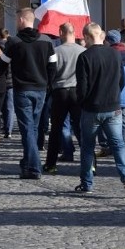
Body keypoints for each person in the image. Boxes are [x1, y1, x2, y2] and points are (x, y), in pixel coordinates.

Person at [74, 22, 125, 198]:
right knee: (118, 145)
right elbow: (121, 81)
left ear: (87, 37)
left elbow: (82, 87)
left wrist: (82, 102)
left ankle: (87, 183)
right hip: (113, 107)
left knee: (87, 146)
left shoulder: (85, 57)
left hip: (92, 108)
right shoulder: (115, 55)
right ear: (100, 35)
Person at [0, 8, 56, 179]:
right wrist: (48, 85)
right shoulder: (47, 41)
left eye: (16, 20)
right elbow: (53, 67)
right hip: (41, 90)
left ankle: (34, 168)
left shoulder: (14, 42)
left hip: (22, 90)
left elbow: (1, 64)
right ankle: (27, 162)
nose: (15, 23)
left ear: (22, 20)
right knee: (33, 128)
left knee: (28, 129)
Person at [43, 23, 85, 172]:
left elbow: (51, 74)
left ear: (61, 32)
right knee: (81, 129)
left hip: (60, 92)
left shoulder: (55, 52)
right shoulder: (83, 51)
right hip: (77, 92)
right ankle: (90, 162)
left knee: (56, 129)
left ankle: (51, 164)